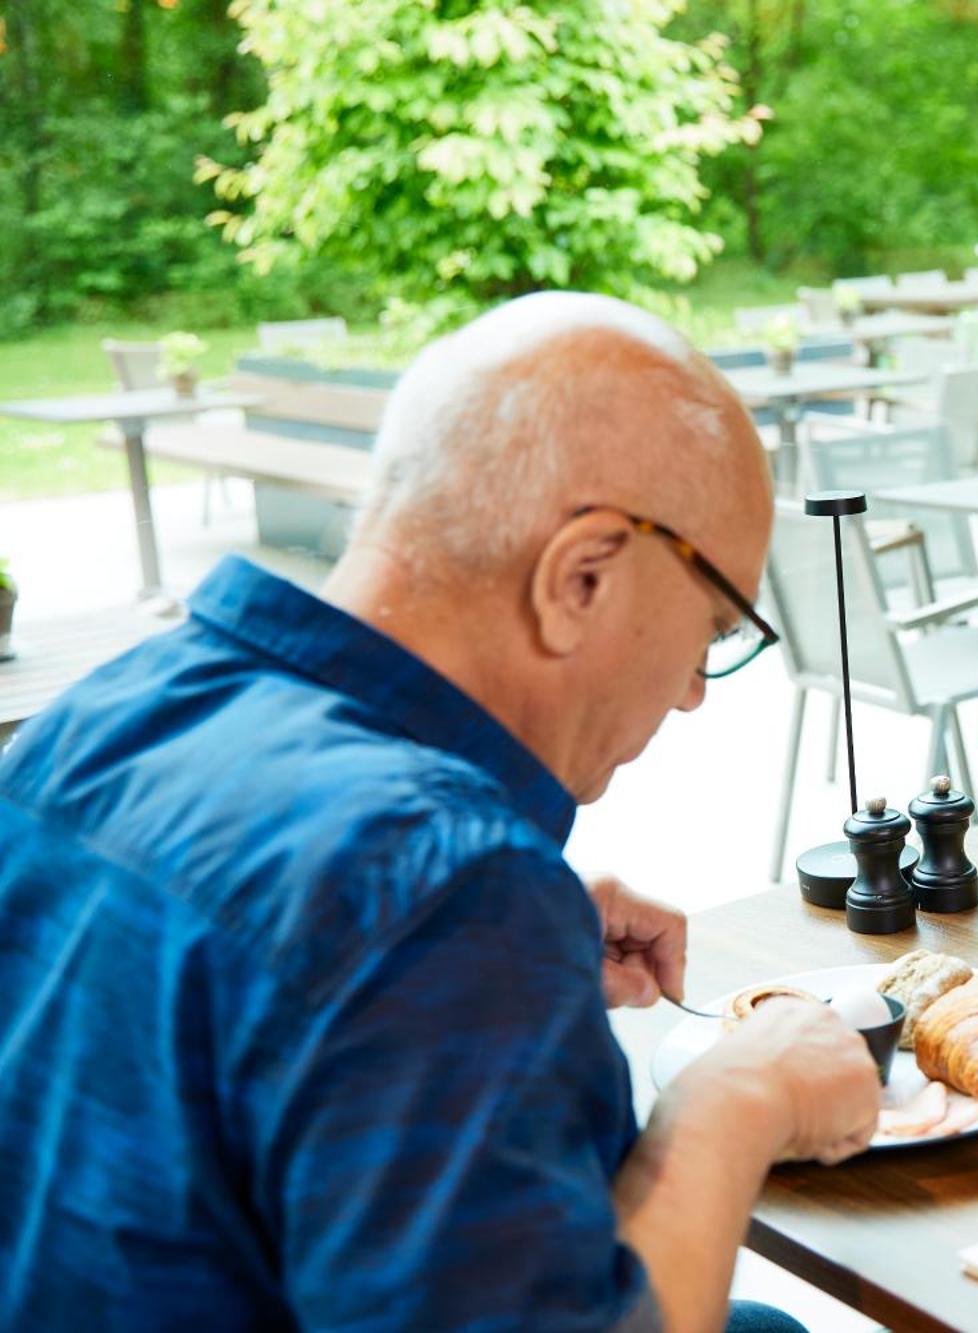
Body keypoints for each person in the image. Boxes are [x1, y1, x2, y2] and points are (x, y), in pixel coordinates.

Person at [0, 293, 884, 1331]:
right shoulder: (439, 890)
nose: (693, 689)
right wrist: (735, 1100)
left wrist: (501, 963)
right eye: (712, 628)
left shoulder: (102, 712)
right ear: (582, 575)